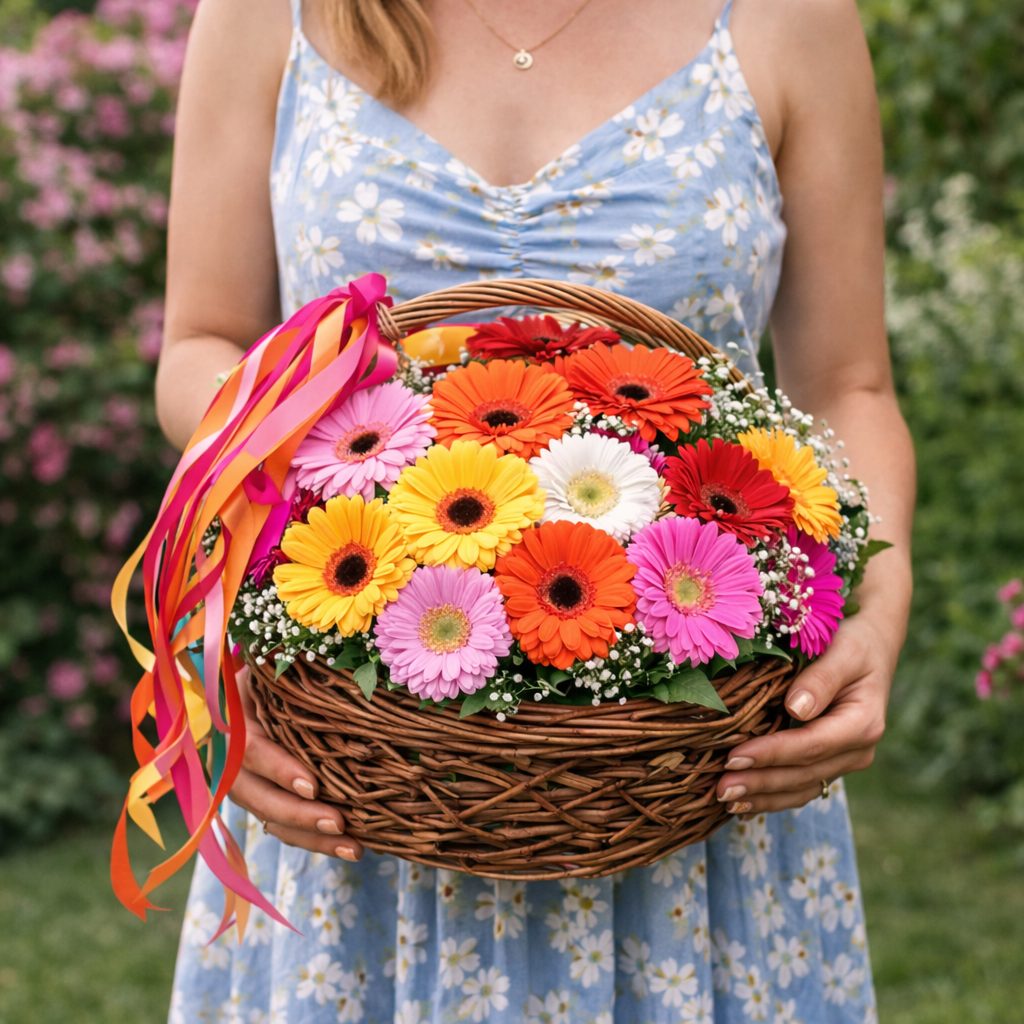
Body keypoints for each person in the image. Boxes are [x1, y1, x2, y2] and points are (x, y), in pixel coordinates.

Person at [158, 0, 914, 1019]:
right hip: (353, 787)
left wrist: (880, 593)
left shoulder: (787, 18)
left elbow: (848, 384)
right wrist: (232, 619)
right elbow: (202, 343)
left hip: (688, 786)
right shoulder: (268, 14)